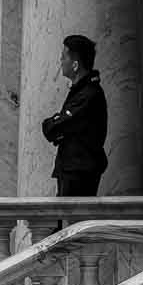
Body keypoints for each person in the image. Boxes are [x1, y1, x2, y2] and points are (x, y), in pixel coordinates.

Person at [40, 33, 108, 197]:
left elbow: (56, 127)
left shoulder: (89, 94)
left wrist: (56, 124)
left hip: (79, 172)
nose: (60, 61)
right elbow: (58, 127)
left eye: (64, 57)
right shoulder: (80, 91)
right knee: (64, 221)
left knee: (74, 222)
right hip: (71, 169)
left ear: (75, 64)